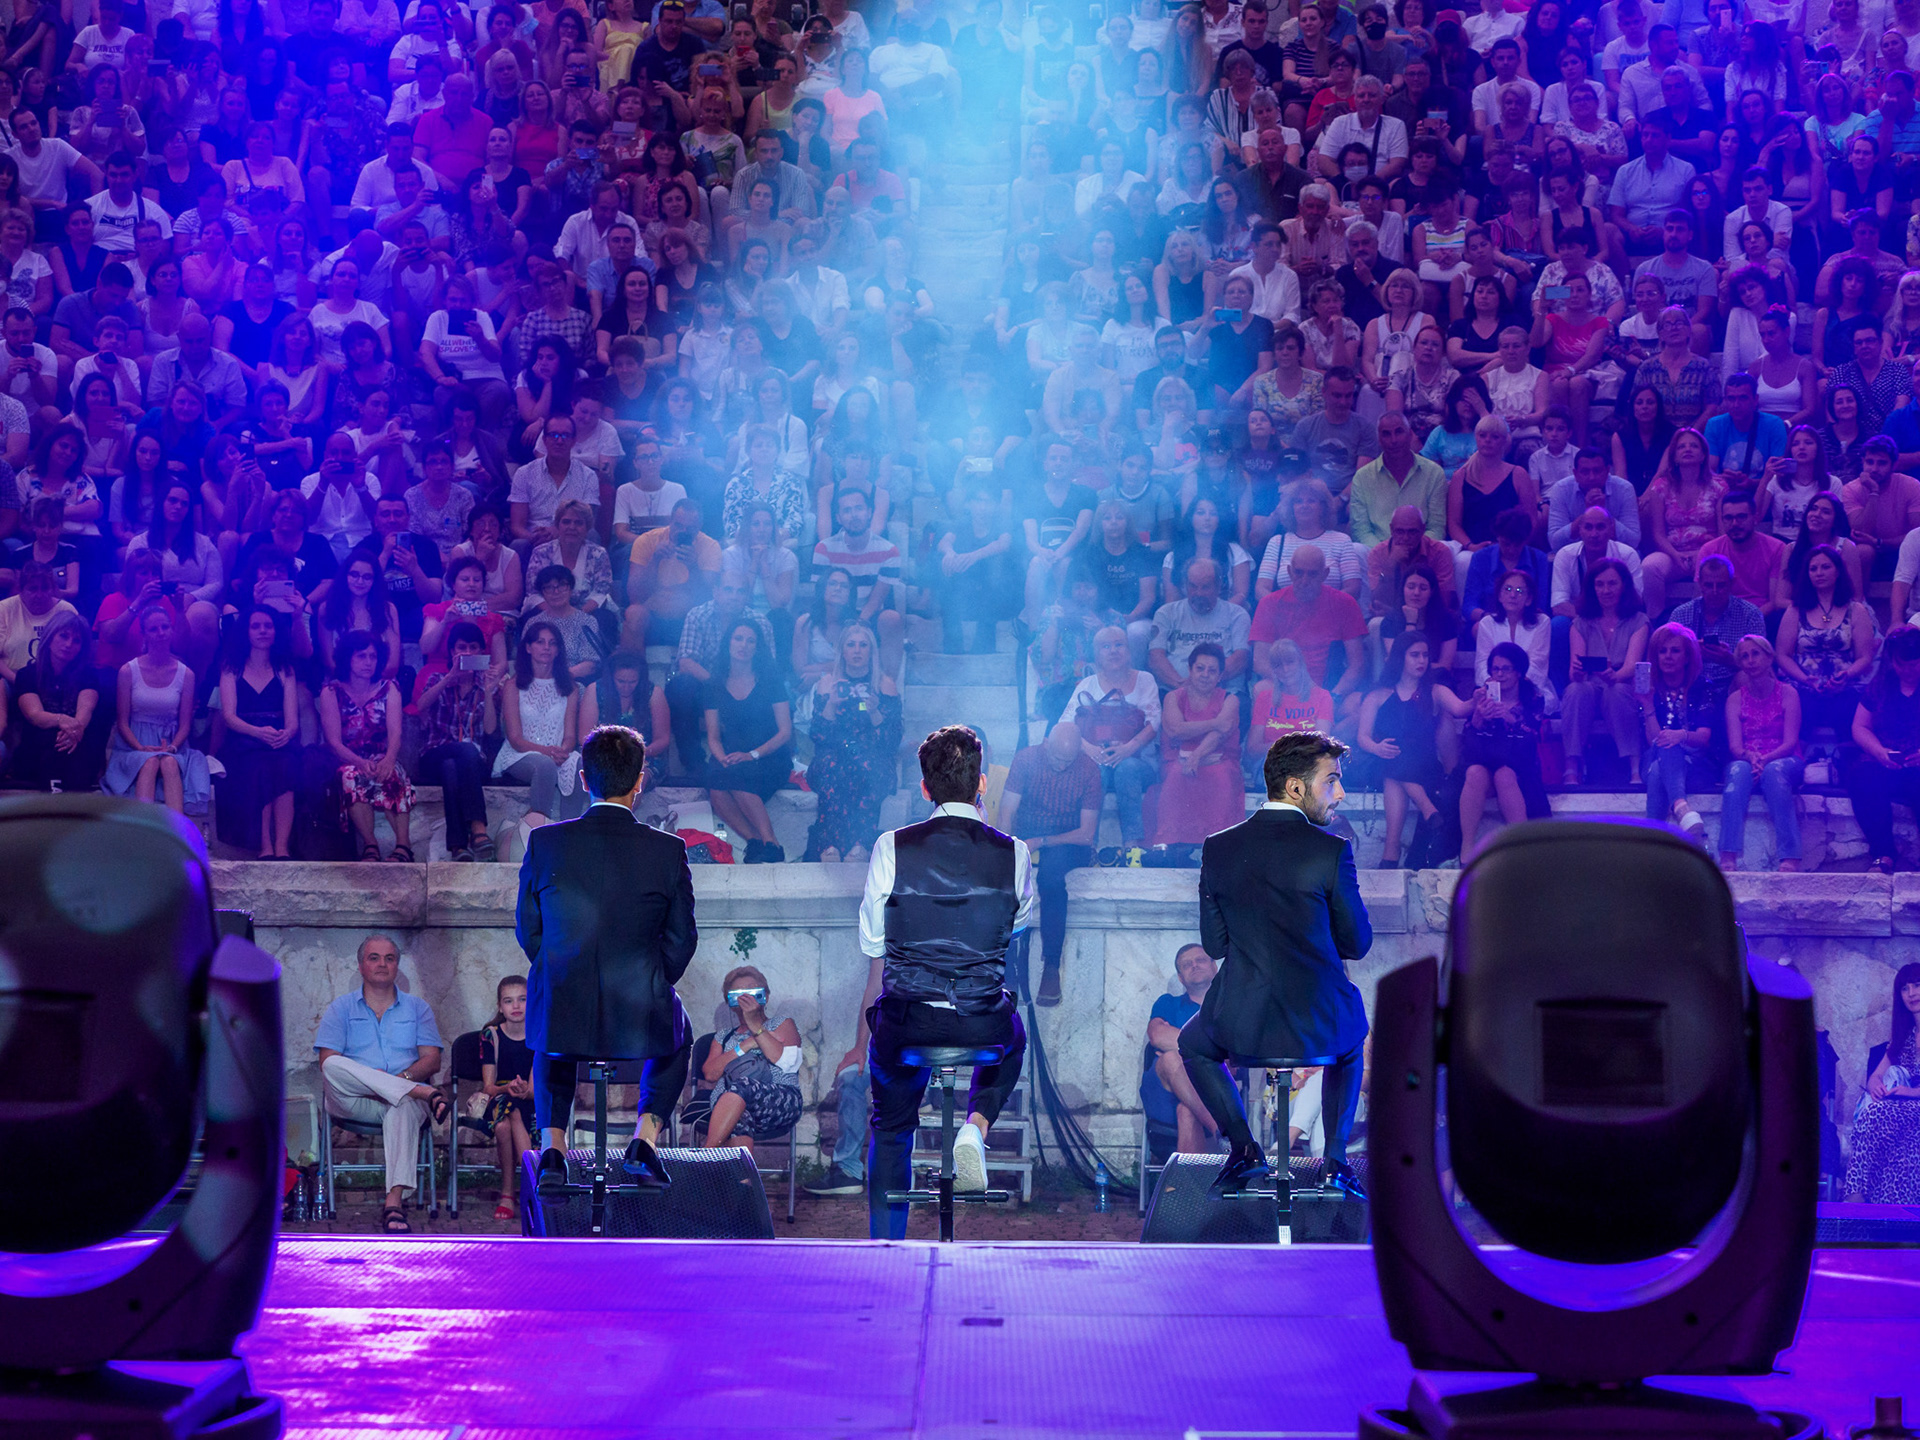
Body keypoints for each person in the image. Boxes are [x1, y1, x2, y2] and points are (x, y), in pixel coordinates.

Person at [854, 725, 1035, 1238]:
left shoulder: (891, 846)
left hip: (909, 1021)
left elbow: (872, 940)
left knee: (890, 1126)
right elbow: (1016, 925)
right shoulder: (1015, 851)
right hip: (982, 1023)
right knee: (1014, 1037)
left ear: (924, 787)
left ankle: (887, 1241)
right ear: (982, 783)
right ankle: (976, 1126)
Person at [1178, 729, 1370, 1196]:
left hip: (1241, 1023)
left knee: (1192, 1044)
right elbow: (1357, 943)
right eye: (1332, 781)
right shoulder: (1331, 850)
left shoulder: (1217, 846)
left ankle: (1244, 1149)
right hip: (1317, 1024)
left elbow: (1214, 944)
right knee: (1352, 1040)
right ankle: (1335, 1162)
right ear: (1296, 787)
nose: (1340, 793)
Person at [518, 724, 697, 1193]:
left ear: (583, 779)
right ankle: (644, 1141)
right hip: (638, 1012)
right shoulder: (668, 849)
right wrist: (652, 979)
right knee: (679, 1034)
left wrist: (560, 969)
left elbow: (528, 929)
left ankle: (553, 1151)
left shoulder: (545, 842)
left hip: (565, 1005)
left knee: (550, 1025)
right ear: (640, 780)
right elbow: (681, 939)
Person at [313, 935, 450, 1233]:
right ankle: (426, 1093)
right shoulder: (340, 1009)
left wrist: (396, 1083)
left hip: (404, 1098)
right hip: (355, 1101)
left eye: (389, 958)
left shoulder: (418, 1008)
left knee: (401, 1105)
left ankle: (394, 1203)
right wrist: (375, 1084)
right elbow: (327, 1062)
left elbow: (432, 1060)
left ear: (397, 966)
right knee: (332, 1065)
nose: (382, 964)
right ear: (361, 965)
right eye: (373, 957)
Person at [999, 720, 1102, 1007]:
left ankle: (1052, 965)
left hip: (1068, 841)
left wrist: (1043, 841)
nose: (1061, 765)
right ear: (1046, 745)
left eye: (1068, 760)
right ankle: (1006, 968)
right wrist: (1007, 847)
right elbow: (1007, 811)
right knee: (1005, 882)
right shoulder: (1026, 759)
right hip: (1027, 831)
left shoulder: (1089, 770)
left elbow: (1086, 834)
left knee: (1051, 879)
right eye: (1057, 758)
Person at [1359, 631, 1470, 867]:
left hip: (1424, 766)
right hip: (1385, 759)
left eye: (1425, 655)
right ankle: (1426, 808)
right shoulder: (1377, 695)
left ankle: (1391, 852)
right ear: (1401, 657)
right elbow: (1363, 737)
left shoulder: (1435, 690)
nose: (1422, 661)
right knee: (1392, 761)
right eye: (1415, 655)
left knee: (1394, 771)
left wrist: (1479, 699)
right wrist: (1377, 748)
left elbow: (1461, 709)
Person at [803, 622, 903, 864]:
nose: (857, 650)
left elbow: (892, 741)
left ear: (871, 651)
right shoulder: (828, 684)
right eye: (851, 645)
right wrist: (831, 704)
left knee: (868, 769)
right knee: (832, 769)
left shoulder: (884, 685)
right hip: (834, 756)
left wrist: (875, 712)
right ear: (842, 651)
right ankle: (829, 845)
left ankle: (860, 844)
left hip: (873, 758)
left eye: (863, 645)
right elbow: (817, 735)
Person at [1058, 625, 1162, 848]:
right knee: (1096, 771)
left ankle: (1132, 848)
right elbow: (1065, 724)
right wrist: (1090, 749)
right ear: (1097, 655)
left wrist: (1127, 749)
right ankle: (1089, 846)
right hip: (1097, 761)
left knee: (1127, 769)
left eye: (1119, 645)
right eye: (1106, 646)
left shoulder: (1145, 680)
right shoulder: (1087, 684)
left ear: (1129, 651)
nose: (1113, 650)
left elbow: (1154, 722)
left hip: (1139, 763)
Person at [101, 602, 209, 815]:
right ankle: (144, 830)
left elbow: (185, 725)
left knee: (169, 763)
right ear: (144, 635)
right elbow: (122, 723)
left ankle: (177, 831)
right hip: (133, 745)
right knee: (149, 762)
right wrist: (141, 748)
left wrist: (173, 747)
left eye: (165, 627)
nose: (161, 633)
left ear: (171, 630)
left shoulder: (186, 674)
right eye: (153, 629)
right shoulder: (128, 671)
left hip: (173, 743)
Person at [319, 629, 415, 861]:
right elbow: (333, 741)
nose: (368, 662)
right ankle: (370, 845)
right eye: (361, 656)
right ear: (348, 658)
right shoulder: (331, 692)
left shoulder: (389, 688)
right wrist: (359, 762)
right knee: (350, 776)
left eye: (372, 656)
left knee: (393, 774)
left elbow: (396, 733)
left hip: (382, 755)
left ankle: (404, 846)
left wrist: (389, 759)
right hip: (347, 758)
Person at [702, 618, 793, 862]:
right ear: (728, 643)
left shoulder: (771, 681)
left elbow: (785, 732)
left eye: (750, 641)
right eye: (738, 638)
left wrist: (752, 755)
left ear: (757, 647)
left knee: (738, 775)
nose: (743, 645)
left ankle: (772, 843)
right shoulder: (714, 684)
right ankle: (754, 841)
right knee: (716, 781)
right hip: (732, 753)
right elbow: (713, 736)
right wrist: (721, 757)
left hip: (769, 755)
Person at [215, 606, 300, 859]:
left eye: (268, 626)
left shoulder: (285, 669)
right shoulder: (231, 668)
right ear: (246, 631)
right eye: (256, 626)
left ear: (276, 631)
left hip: (277, 737)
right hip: (243, 739)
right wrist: (257, 732)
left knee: (286, 764)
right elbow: (229, 717)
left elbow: (293, 720)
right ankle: (265, 847)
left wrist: (286, 734)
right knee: (259, 766)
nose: (263, 631)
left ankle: (282, 847)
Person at [689, 966, 804, 1150]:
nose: (746, 997)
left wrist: (755, 1025)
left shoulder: (781, 1024)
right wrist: (746, 1045)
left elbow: (785, 1061)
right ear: (730, 1001)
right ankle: (740, 1171)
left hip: (779, 1102)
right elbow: (710, 1074)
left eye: (752, 990)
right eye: (739, 993)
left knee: (743, 1085)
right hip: (732, 1104)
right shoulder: (723, 1037)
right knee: (738, 1117)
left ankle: (706, 1153)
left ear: (765, 995)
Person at [416, 621, 503, 862]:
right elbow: (420, 706)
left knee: (453, 766)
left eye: (473, 647)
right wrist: (450, 678)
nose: (467, 652)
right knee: (461, 753)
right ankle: (478, 829)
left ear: (481, 652)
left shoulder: (485, 686)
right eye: (462, 647)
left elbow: (490, 730)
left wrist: (488, 691)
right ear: (452, 651)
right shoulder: (437, 679)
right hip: (434, 754)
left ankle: (458, 846)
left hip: (471, 764)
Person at [1561, 559, 1650, 785]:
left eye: (1612, 584)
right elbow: (1574, 669)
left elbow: (1632, 665)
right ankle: (1571, 766)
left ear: (1623, 585)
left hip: (1623, 682)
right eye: (1599, 584)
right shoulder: (1580, 623)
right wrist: (1578, 672)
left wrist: (1614, 676)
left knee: (1616, 690)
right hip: (1590, 682)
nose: (1606, 590)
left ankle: (1634, 767)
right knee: (1575, 690)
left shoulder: (1639, 621)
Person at [1720, 633, 1803, 873]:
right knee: (1737, 772)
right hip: (1749, 758)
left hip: (1784, 758)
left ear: (1769, 658)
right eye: (1745, 656)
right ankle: (1728, 854)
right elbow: (1735, 747)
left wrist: (1764, 760)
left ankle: (1790, 856)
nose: (1750, 660)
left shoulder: (1788, 693)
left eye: (1755, 654)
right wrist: (1751, 758)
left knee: (1774, 772)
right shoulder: (1735, 699)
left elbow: (1790, 742)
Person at [495, 618, 586, 833]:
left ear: (558, 650)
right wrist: (548, 752)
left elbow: (570, 735)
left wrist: (563, 750)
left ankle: (569, 835)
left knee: (580, 763)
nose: (546, 647)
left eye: (552, 643)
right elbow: (515, 739)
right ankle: (538, 833)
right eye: (540, 642)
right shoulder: (513, 685)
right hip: (520, 754)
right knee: (544, 765)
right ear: (528, 647)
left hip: (558, 752)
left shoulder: (570, 687)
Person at [1459, 640, 1550, 855]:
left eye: (1506, 669)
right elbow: (1468, 740)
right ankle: (1466, 849)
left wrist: (1509, 718)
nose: (1500, 674)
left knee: (1504, 775)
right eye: (1495, 669)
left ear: (1518, 672)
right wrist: (1478, 716)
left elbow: (1533, 738)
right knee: (1474, 773)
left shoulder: (1533, 698)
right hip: (1485, 760)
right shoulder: (1482, 695)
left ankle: (1521, 849)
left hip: (1519, 765)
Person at [1843, 625, 1920, 877]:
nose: (1909, 671)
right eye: (1902, 665)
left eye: (1915, 664)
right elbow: (1860, 726)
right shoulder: (1880, 686)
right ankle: (1883, 853)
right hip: (1886, 763)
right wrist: (1879, 751)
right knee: (1862, 775)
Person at [1151, 642, 1243, 844]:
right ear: (1190, 670)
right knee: (1177, 774)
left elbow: (1220, 734)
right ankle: (1174, 846)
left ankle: (1219, 845)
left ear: (1220, 676)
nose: (1205, 675)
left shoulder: (1230, 700)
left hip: (1220, 761)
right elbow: (1175, 730)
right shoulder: (1173, 697)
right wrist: (1215, 723)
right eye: (1200, 668)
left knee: (1220, 776)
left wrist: (1196, 755)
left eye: (1212, 671)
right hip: (1178, 761)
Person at [5, 609, 106, 792]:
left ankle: (67, 801)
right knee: (50, 743)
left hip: (76, 742)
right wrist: (62, 720)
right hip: (38, 745)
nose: (69, 644)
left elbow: (85, 710)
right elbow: (35, 715)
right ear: (50, 637)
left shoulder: (88, 675)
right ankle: (56, 800)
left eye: (76, 641)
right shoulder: (27, 675)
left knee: (78, 749)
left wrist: (74, 730)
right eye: (64, 636)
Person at [1843, 962, 1920, 1203]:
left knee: (1874, 1114)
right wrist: (1876, 1085)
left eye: (1917, 985)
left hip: (1914, 1102)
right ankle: (1873, 1204)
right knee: (1875, 1109)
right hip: (1904, 1109)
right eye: (1905, 988)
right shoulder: (1904, 1038)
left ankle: (1854, 1194)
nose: (1911, 994)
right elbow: (1875, 1076)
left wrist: (1910, 1092)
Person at [1142, 943, 1224, 1156]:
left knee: (1187, 1110)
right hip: (1165, 1093)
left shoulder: (1228, 1008)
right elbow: (1157, 1036)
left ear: (1214, 966)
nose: (1194, 965)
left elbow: (1232, 1055)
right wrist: (1210, 1049)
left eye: (1200, 960)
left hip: (1214, 1085)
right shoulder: (1168, 1003)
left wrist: (1181, 1045)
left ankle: (1187, 1181)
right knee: (1171, 1059)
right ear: (1180, 978)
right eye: (1187, 965)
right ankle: (1221, 1129)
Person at [1637, 620, 1713, 838]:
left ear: (1687, 656)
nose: (1667, 656)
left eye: (1675, 651)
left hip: (1696, 765)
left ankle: (1652, 840)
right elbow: (1653, 741)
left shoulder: (1702, 686)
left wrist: (1681, 735)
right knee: (1664, 750)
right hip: (1655, 757)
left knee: (1658, 771)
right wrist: (1647, 704)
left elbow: (1704, 738)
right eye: (1662, 651)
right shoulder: (1651, 689)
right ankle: (1682, 808)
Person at [477, 975, 537, 1220]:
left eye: (522, 999)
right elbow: (488, 1088)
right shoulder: (490, 1035)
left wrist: (524, 1090)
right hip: (500, 1097)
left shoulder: (538, 1033)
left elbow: (534, 1088)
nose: (516, 1006)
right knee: (510, 1110)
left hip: (531, 1099)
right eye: (509, 1001)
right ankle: (532, 1187)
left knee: (505, 1124)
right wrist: (508, 1088)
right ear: (500, 1006)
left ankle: (507, 1195)